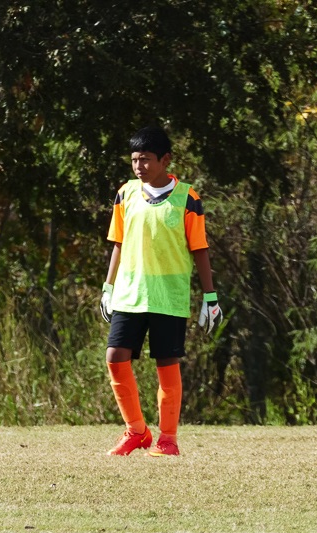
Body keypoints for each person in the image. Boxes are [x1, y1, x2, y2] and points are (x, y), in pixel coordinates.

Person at [99, 125, 222, 457]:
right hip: (129, 294)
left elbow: (200, 249)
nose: (139, 166)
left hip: (169, 296)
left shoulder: (188, 198)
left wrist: (210, 297)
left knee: (166, 364)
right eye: (134, 160)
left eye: (146, 159)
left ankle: (168, 439)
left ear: (165, 160)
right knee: (115, 357)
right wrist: (108, 287)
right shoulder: (125, 194)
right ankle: (136, 431)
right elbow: (118, 242)